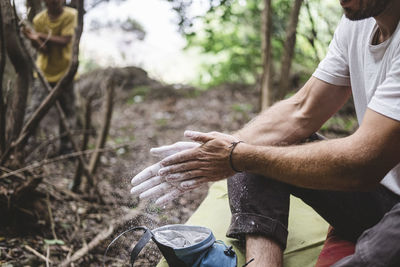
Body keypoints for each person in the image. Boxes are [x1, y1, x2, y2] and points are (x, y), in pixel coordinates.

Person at [131, 0, 400, 266]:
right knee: (254, 147)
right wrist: (218, 152)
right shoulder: (358, 22)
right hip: (378, 198)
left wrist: (238, 156)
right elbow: (302, 109)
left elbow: (364, 163)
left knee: (371, 257)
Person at [23, 0, 77, 154]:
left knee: (68, 112)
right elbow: (44, 50)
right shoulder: (39, 20)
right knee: (34, 110)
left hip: (66, 73)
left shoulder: (71, 15)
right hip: (44, 73)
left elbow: (65, 40)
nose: (53, 3)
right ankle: (25, 145)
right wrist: (33, 39)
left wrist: (38, 34)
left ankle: (67, 149)